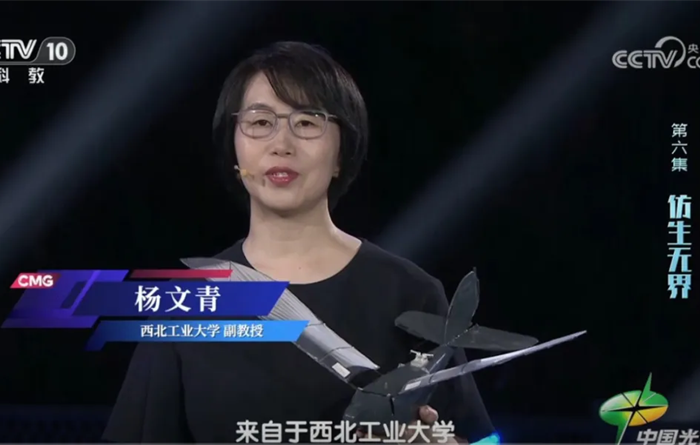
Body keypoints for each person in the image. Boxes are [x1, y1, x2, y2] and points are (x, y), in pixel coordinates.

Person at [103, 41, 495, 443]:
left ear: (341, 152)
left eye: (307, 123)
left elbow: (483, 440)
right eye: (260, 122)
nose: (282, 144)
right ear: (234, 152)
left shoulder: (410, 294)